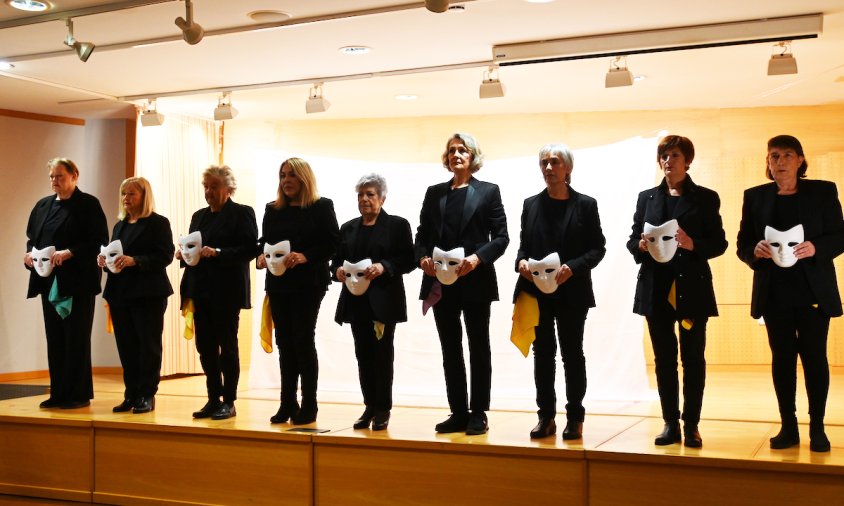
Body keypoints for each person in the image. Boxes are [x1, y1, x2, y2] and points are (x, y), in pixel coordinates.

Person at [737, 135, 844, 453]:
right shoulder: (755, 197)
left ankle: (818, 428)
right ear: (767, 163)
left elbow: (840, 234)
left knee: (814, 358)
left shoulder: (823, 191)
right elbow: (744, 242)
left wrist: (818, 247)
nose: (779, 161)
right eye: (773, 156)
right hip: (774, 293)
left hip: (813, 290)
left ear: (800, 160)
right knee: (782, 359)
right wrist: (753, 251)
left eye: (786, 155)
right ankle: (788, 426)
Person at [626, 135, 727, 448]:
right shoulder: (647, 198)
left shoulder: (706, 198)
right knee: (664, 359)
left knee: (693, 358)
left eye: (674, 155)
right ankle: (670, 423)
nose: (668, 161)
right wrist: (639, 246)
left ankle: (692, 424)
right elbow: (632, 239)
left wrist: (692, 243)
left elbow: (720, 243)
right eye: (664, 156)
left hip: (692, 288)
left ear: (687, 161)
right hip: (655, 288)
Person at [414, 133, 509, 435]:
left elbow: (502, 238)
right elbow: (421, 238)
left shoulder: (488, 191)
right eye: (452, 150)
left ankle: (478, 412)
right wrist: (422, 260)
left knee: (478, 345)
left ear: (473, 157)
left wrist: (477, 259)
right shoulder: (434, 193)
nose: (456, 154)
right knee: (450, 347)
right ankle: (457, 411)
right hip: (440, 282)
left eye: (462, 150)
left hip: (475, 280)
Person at [514, 144, 606, 440]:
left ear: (568, 168)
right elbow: (523, 247)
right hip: (536, 291)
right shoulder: (530, 204)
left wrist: (574, 267)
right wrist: (521, 262)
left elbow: (598, 248)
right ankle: (546, 417)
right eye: (544, 162)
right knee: (543, 354)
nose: (549, 167)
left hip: (572, 290)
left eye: (554, 162)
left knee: (571, 354)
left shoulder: (585, 205)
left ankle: (575, 417)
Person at [258, 157, 338, 425]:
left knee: (302, 340)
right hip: (278, 283)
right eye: (282, 175)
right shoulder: (272, 209)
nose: (286, 180)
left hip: (308, 283)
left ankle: (309, 405)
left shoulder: (321, 206)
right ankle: (287, 403)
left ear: (304, 178)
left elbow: (332, 244)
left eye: (291, 175)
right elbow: (264, 241)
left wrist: (306, 256)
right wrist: (260, 255)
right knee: (284, 343)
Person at [331, 174, 414, 431]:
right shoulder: (347, 228)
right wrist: (337, 272)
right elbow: (334, 263)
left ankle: (382, 409)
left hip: (383, 303)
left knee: (381, 355)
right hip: (355, 302)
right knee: (362, 355)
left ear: (382, 198)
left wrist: (384, 266)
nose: (365, 200)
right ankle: (369, 405)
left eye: (370, 195)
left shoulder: (398, 225)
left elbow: (408, 260)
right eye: (361, 195)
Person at [25, 158, 108, 409]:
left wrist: (70, 252)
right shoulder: (43, 206)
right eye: (51, 176)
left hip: (77, 282)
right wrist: (29, 254)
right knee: (56, 338)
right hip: (49, 279)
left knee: (76, 337)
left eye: (60, 176)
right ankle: (59, 392)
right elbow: (32, 238)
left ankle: (78, 394)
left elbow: (98, 241)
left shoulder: (88, 204)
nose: (54, 181)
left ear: (74, 176)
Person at [179, 165, 258, 420]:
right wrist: (184, 254)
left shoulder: (242, 213)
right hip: (199, 289)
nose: (209, 192)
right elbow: (192, 247)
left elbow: (249, 249)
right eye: (206, 187)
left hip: (227, 291)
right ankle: (213, 398)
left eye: (214, 187)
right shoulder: (199, 216)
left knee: (227, 345)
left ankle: (229, 400)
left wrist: (219, 253)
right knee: (205, 347)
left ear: (229, 189)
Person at [98, 177, 174, 414]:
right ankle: (131, 393)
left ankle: (147, 394)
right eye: (123, 194)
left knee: (148, 346)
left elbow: (165, 256)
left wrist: (135, 260)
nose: (126, 198)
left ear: (144, 196)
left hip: (148, 293)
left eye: (131, 194)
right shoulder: (120, 225)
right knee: (127, 346)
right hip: (120, 293)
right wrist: (104, 261)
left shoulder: (157, 223)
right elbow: (114, 255)